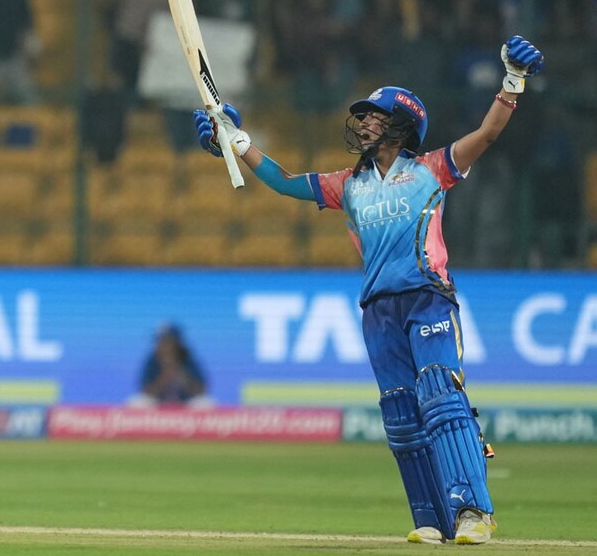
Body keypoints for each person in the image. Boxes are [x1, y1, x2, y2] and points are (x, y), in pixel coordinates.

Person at [191, 35, 545, 545]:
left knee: (442, 398)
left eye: (375, 117)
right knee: (401, 416)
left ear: (402, 128)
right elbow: (285, 181)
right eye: (363, 116)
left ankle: (472, 512)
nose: (363, 123)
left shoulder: (431, 170)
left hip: (428, 297)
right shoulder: (348, 184)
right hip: (378, 310)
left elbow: (487, 134)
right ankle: (431, 519)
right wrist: (235, 140)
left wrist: (513, 80)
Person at [127, 323, 212, 409]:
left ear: (177, 342)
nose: (163, 345)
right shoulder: (153, 359)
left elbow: (202, 391)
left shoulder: (187, 357)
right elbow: (145, 391)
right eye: (159, 341)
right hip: (158, 404)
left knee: (205, 404)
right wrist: (164, 378)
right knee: (137, 403)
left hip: (185, 403)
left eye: (167, 341)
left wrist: (181, 375)